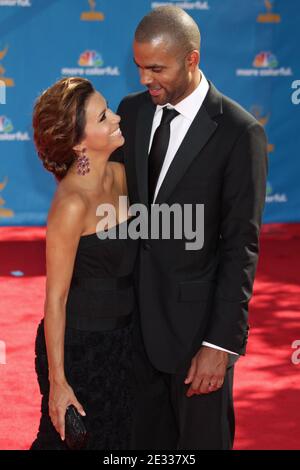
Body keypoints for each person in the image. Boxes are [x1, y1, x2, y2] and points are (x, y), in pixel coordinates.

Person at [111, 6, 268, 450]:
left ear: (192, 59)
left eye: (157, 68)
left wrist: (220, 344)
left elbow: (241, 246)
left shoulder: (240, 132)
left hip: (197, 337)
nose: (145, 79)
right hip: (134, 330)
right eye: (140, 67)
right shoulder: (133, 111)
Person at [30, 77, 138, 450]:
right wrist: (59, 383)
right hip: (81, 352)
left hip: (126, 345)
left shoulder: (122, 173)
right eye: (104, 117)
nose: (118, 118)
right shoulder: (71, 204)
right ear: (78, 144)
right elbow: (55, 300)